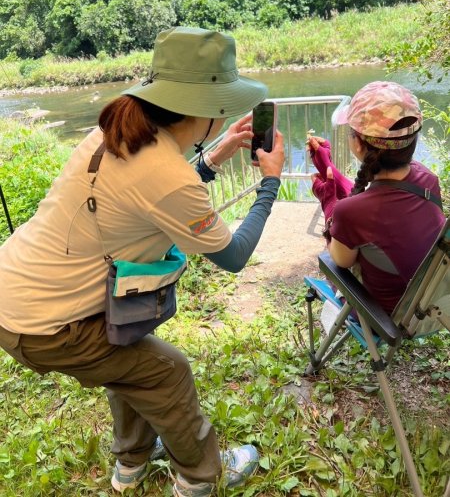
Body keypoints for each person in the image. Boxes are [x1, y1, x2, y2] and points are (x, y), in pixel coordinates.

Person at [0, 27, 285, 495]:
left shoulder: (117, 132)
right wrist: (270, 184)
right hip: (44, 325)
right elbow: (232, 256)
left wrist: (214, 157)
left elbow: (152, 194)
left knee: (128, 361)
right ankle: (199, 476)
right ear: (206, 109)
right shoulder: (167, 174)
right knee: (167, 372)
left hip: (17, 292)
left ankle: (130, 464)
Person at [308, 81, 445, 315]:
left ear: (358, 144)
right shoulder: (427, 179)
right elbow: (376, 201)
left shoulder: (353, 212)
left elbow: (341, 261)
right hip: (431, 308)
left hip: (384, 317)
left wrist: (328, 200)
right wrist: (327, 164)